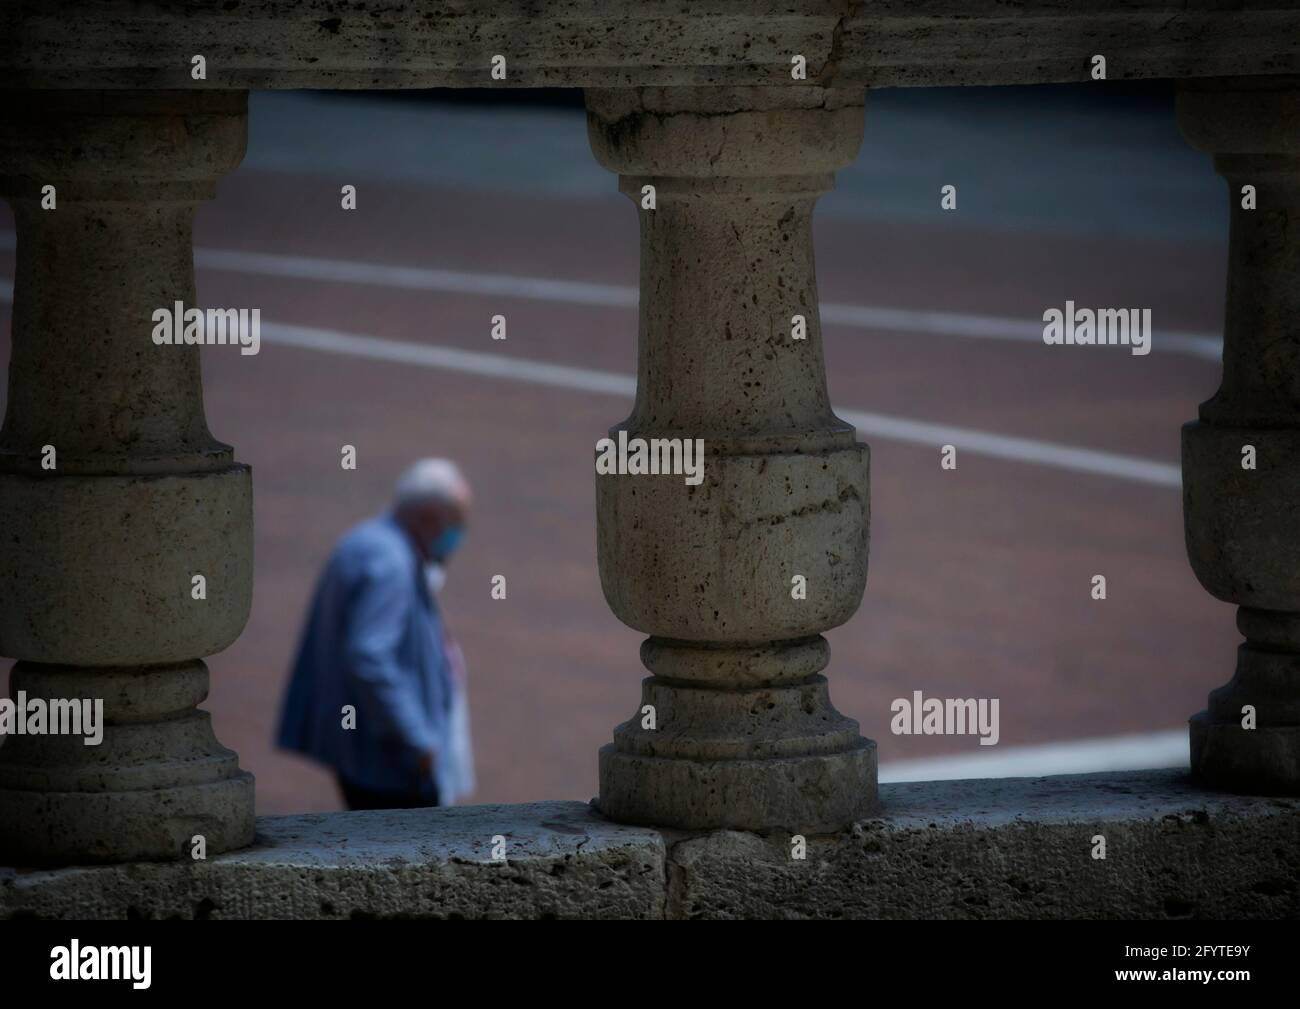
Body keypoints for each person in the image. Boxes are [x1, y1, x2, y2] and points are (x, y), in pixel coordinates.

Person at [277, 459, 476, 810]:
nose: (458, 535)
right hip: (390, 764)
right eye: (456, 522)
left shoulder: (365, 540)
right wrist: (422, 742)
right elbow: (370, 657)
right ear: (429, 518)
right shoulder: (391, 564)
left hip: (360, 753)